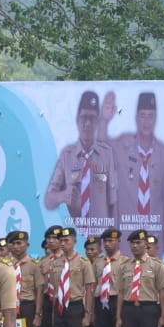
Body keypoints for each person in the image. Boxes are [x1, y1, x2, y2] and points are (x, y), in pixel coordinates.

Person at [105, 91, 164, 253]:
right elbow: (102, 144)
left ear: (156, 118)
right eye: (143, 115)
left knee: (152, 273)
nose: (146, 121)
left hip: (153, 229)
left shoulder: (162, 151)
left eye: (150, 116)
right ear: (136, 117)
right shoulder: (124, 145)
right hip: (127, 230)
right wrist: (104, 121)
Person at [44, 90, 117, 228]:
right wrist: (64, 195)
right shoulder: (67, 155)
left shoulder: (107, 154)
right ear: (77, 120)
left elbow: (113, 201)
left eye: (92, 118)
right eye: (84, 118)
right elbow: (49, 200)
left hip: (99, 235)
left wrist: (113, 234)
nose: (87, 124)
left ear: (98, 121)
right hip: (73, 235)